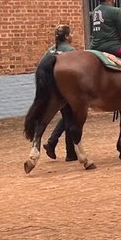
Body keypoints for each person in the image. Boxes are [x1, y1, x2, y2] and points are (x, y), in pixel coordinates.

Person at [42, 25, 77, 161]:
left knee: (66, 117)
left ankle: (52, 142)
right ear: (67, 37)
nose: (72, 36)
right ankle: (70, 153)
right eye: (71, 34)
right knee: (71, 118)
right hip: (67, 90)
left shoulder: (50, 51)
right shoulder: (70, 51)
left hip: (52, 89)